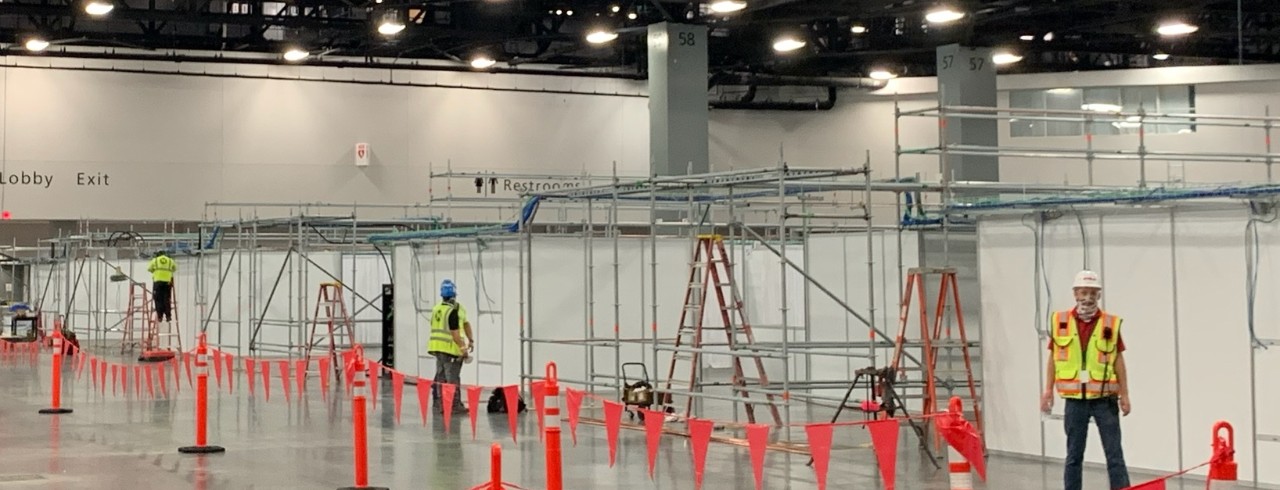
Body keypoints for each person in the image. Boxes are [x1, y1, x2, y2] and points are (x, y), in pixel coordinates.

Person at [1041, 270, 1131, 490]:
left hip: (1105, 400)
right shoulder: (1060, 321)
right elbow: (1053, 358)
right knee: (1073, 455)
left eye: (1093, 292)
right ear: (1075, 293)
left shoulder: (1110, 323)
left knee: (1114, 455)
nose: (1088, 297)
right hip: (1074, 401)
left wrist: (1125, 395)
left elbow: (1118, 360)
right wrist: (1047, 391)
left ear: (1099, 294)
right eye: (1084, 291)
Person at [428, 279, 473, 414]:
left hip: (437, 348)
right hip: (450, 349)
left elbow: (465, 324)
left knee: (441, 377)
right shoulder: (453, 311)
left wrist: (470, 339)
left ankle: (440, 404)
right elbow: (454, 333)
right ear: (454, 295)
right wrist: (463, 348)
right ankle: (453, 405)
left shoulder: (436, 309)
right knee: (452, 377)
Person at [147, 251, 177, 324]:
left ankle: (160, 316)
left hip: (158, 281)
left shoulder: (155, 260)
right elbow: (175, 268)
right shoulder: (170, 260)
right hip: (168, 281)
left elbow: (149, 269)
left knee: (158, 299)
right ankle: (168, 316)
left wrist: (155, 271)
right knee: (167, 298)